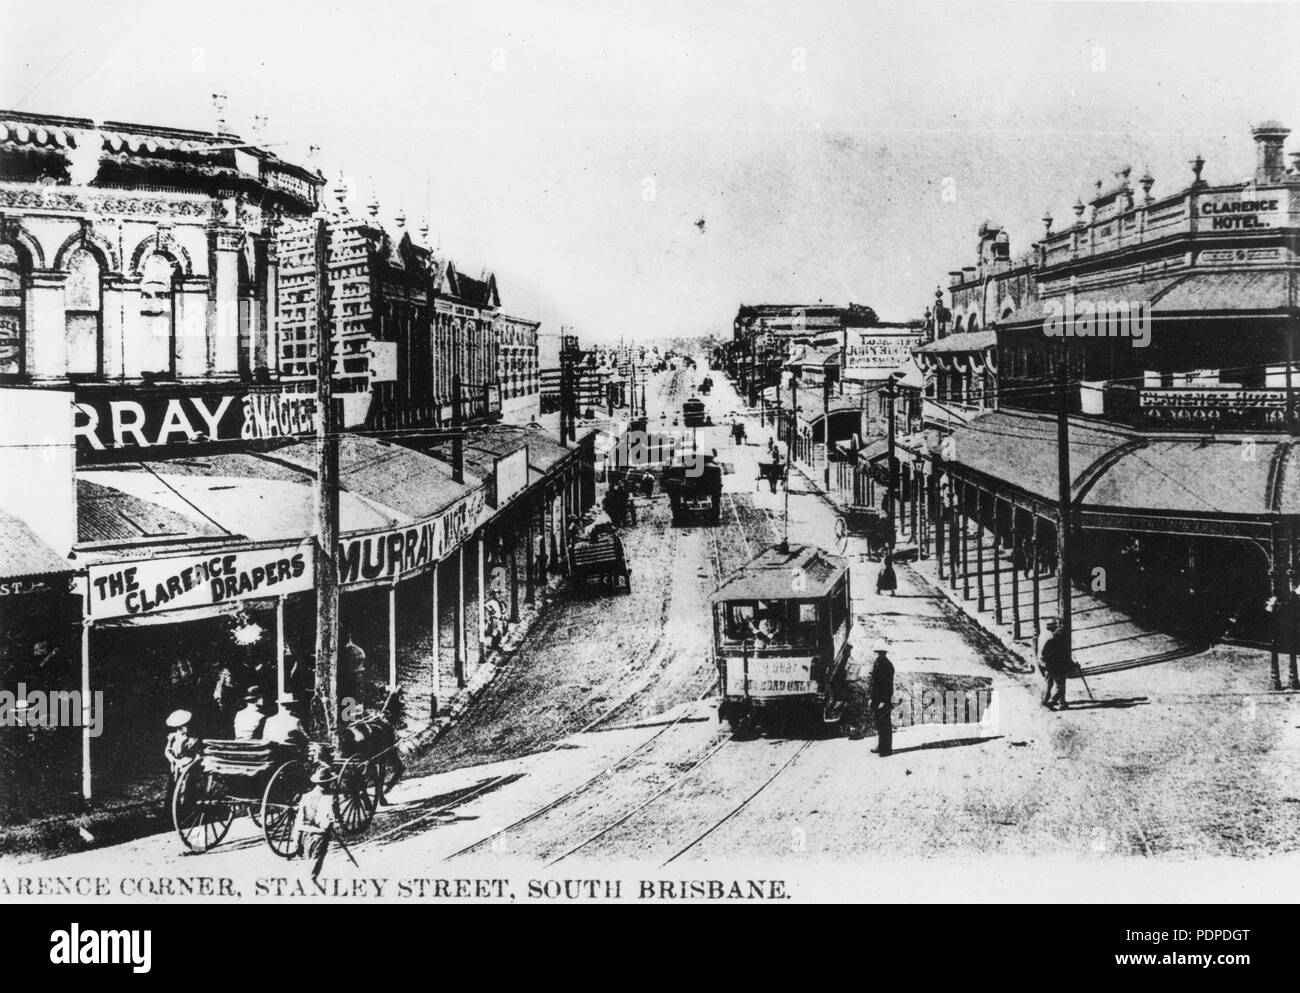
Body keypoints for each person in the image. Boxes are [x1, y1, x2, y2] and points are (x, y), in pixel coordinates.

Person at [295, 766, 338, 878]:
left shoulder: (305, 797)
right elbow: (327, 824)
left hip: (305, 836)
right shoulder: (328, 798)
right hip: (320, 838)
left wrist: (297, 842)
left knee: (309, 865)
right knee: (313, 873)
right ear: (329, 783)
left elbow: (299, 821)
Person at [163, 709, 201, 811]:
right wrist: (173, 760)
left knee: (185, 787)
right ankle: (170, 809)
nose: (185, 728)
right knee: (173, 786)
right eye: (181, 727)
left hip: (187, 765)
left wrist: (189, 763)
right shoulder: (173, 737)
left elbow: (197, 754)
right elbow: (167, 751)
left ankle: (185, 808)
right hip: (175, 765)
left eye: (186, 725)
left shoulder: (192, 738)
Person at [867, 644, 895, 756]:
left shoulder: (887, 665)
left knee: (885, 724)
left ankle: (886, 749)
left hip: (884, 699)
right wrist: (872, 698)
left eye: (880, 652)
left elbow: (888, 686)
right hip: (877, 698)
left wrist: (883, 701)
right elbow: (874, 683)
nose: (879, 654)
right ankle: (881, 746)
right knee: (879, 723)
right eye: (878, 652)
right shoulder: (878, 662)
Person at [1040, 622, 1071, 710]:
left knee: (1049, 685)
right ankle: (1050, 702)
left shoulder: (1050, 641)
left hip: (1052, 667)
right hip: (1056, 668)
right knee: (1059, 687)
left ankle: (1046, 702)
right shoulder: (1059, 643)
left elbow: (1043, 654)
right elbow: (1065, 657)